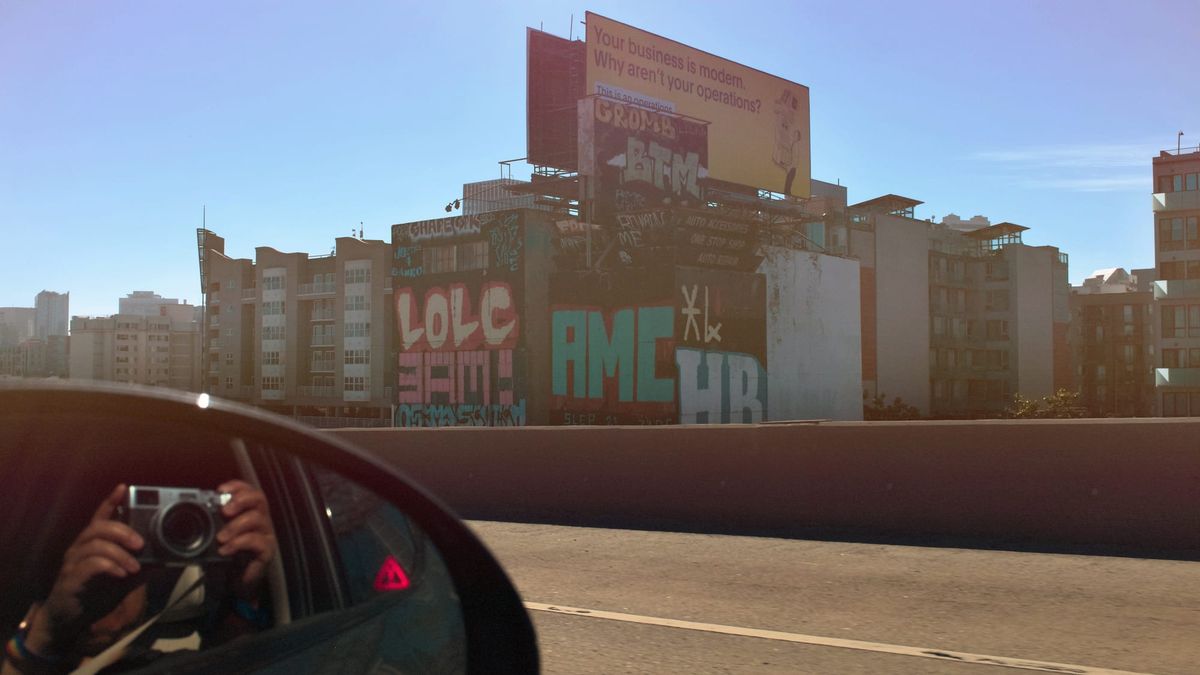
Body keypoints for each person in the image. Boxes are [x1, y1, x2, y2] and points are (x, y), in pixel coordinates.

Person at [2, 481, 276, 674]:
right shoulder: (25, 632)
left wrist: (243, 598)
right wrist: (48, 631)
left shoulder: (174, 662)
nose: (102, 582)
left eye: (122, 553)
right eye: (88, 562)